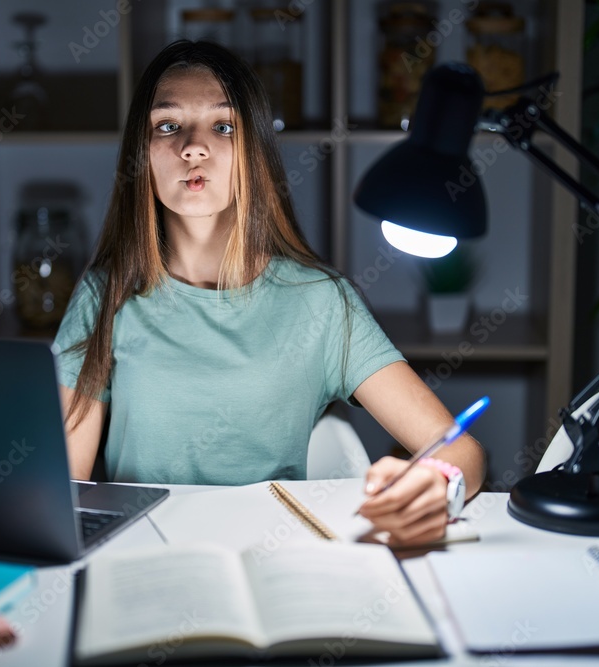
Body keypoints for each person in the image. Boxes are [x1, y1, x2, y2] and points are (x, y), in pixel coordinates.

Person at [53, 40, 485, 546]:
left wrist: (438, 485)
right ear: (140, 155)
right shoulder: (104, 297)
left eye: (223, 126)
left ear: (252, 151)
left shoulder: (322, 302)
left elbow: (464, 452)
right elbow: (65, 490)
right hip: (144, 561)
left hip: (277, 559)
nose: (193, 147)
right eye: (168, 126)